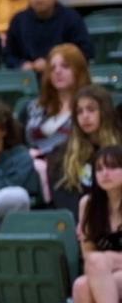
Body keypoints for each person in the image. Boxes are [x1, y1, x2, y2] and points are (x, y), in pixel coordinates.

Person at [69, 145, 122, 303]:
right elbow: (88, 256)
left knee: (99, 262)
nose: (105, 173)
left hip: (112, 271)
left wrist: (109, 260)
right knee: (81, 284)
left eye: (113, 167)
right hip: (106, 276)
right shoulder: (88, 204)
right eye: (99, 168)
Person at [50, 86, 121, 218]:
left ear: (105, 112)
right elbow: (64, 200)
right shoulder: (62, 154)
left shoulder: (119, 149)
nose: (85, 116)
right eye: (79, 111)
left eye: (91, 109)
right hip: (83, 222)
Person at [5, 0, 94, 70]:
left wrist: (54, 63)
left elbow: (85, 52)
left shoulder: (72, 18)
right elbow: (9, 56)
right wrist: (22, 65)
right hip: (28, 79)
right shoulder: (18, 21)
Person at [19, 43, 90, 160]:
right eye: (52, 68)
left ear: (79, 71)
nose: (57, 72)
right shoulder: (32, 107)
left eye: (65, 66)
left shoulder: (90, 107)